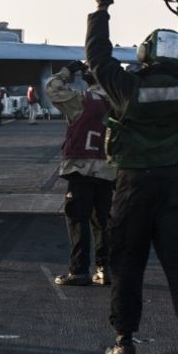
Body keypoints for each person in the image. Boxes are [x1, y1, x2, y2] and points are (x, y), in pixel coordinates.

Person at [87, 0, 178, 354]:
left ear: (146, 53)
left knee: (126, 266)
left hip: (133, 186)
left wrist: (103, 5)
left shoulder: (128, 89)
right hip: (172, 185)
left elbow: (98, 56)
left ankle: (124, 344)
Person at [45, 61, 113, 287]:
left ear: (88, 78)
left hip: (81, 168)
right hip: (108, 170)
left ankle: (79, 270)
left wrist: (66, 72)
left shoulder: (82, 100)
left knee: (77, 220)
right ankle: (105, 269)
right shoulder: (119, 101)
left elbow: (52, 88)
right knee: (103, 221)